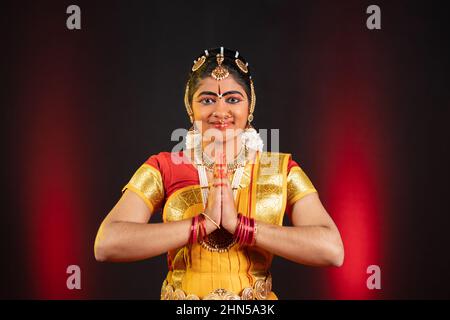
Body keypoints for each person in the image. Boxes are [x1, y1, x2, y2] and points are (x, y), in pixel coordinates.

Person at [94, 47, 344, 300]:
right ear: (190, 108)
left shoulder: (279, 170)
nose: (220, 111)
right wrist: (201, 224)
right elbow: (107, 243)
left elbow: (331, 250)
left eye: (233, 99)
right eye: (207, 99)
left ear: (250, 106)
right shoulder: (164, 166)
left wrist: (241, 227)